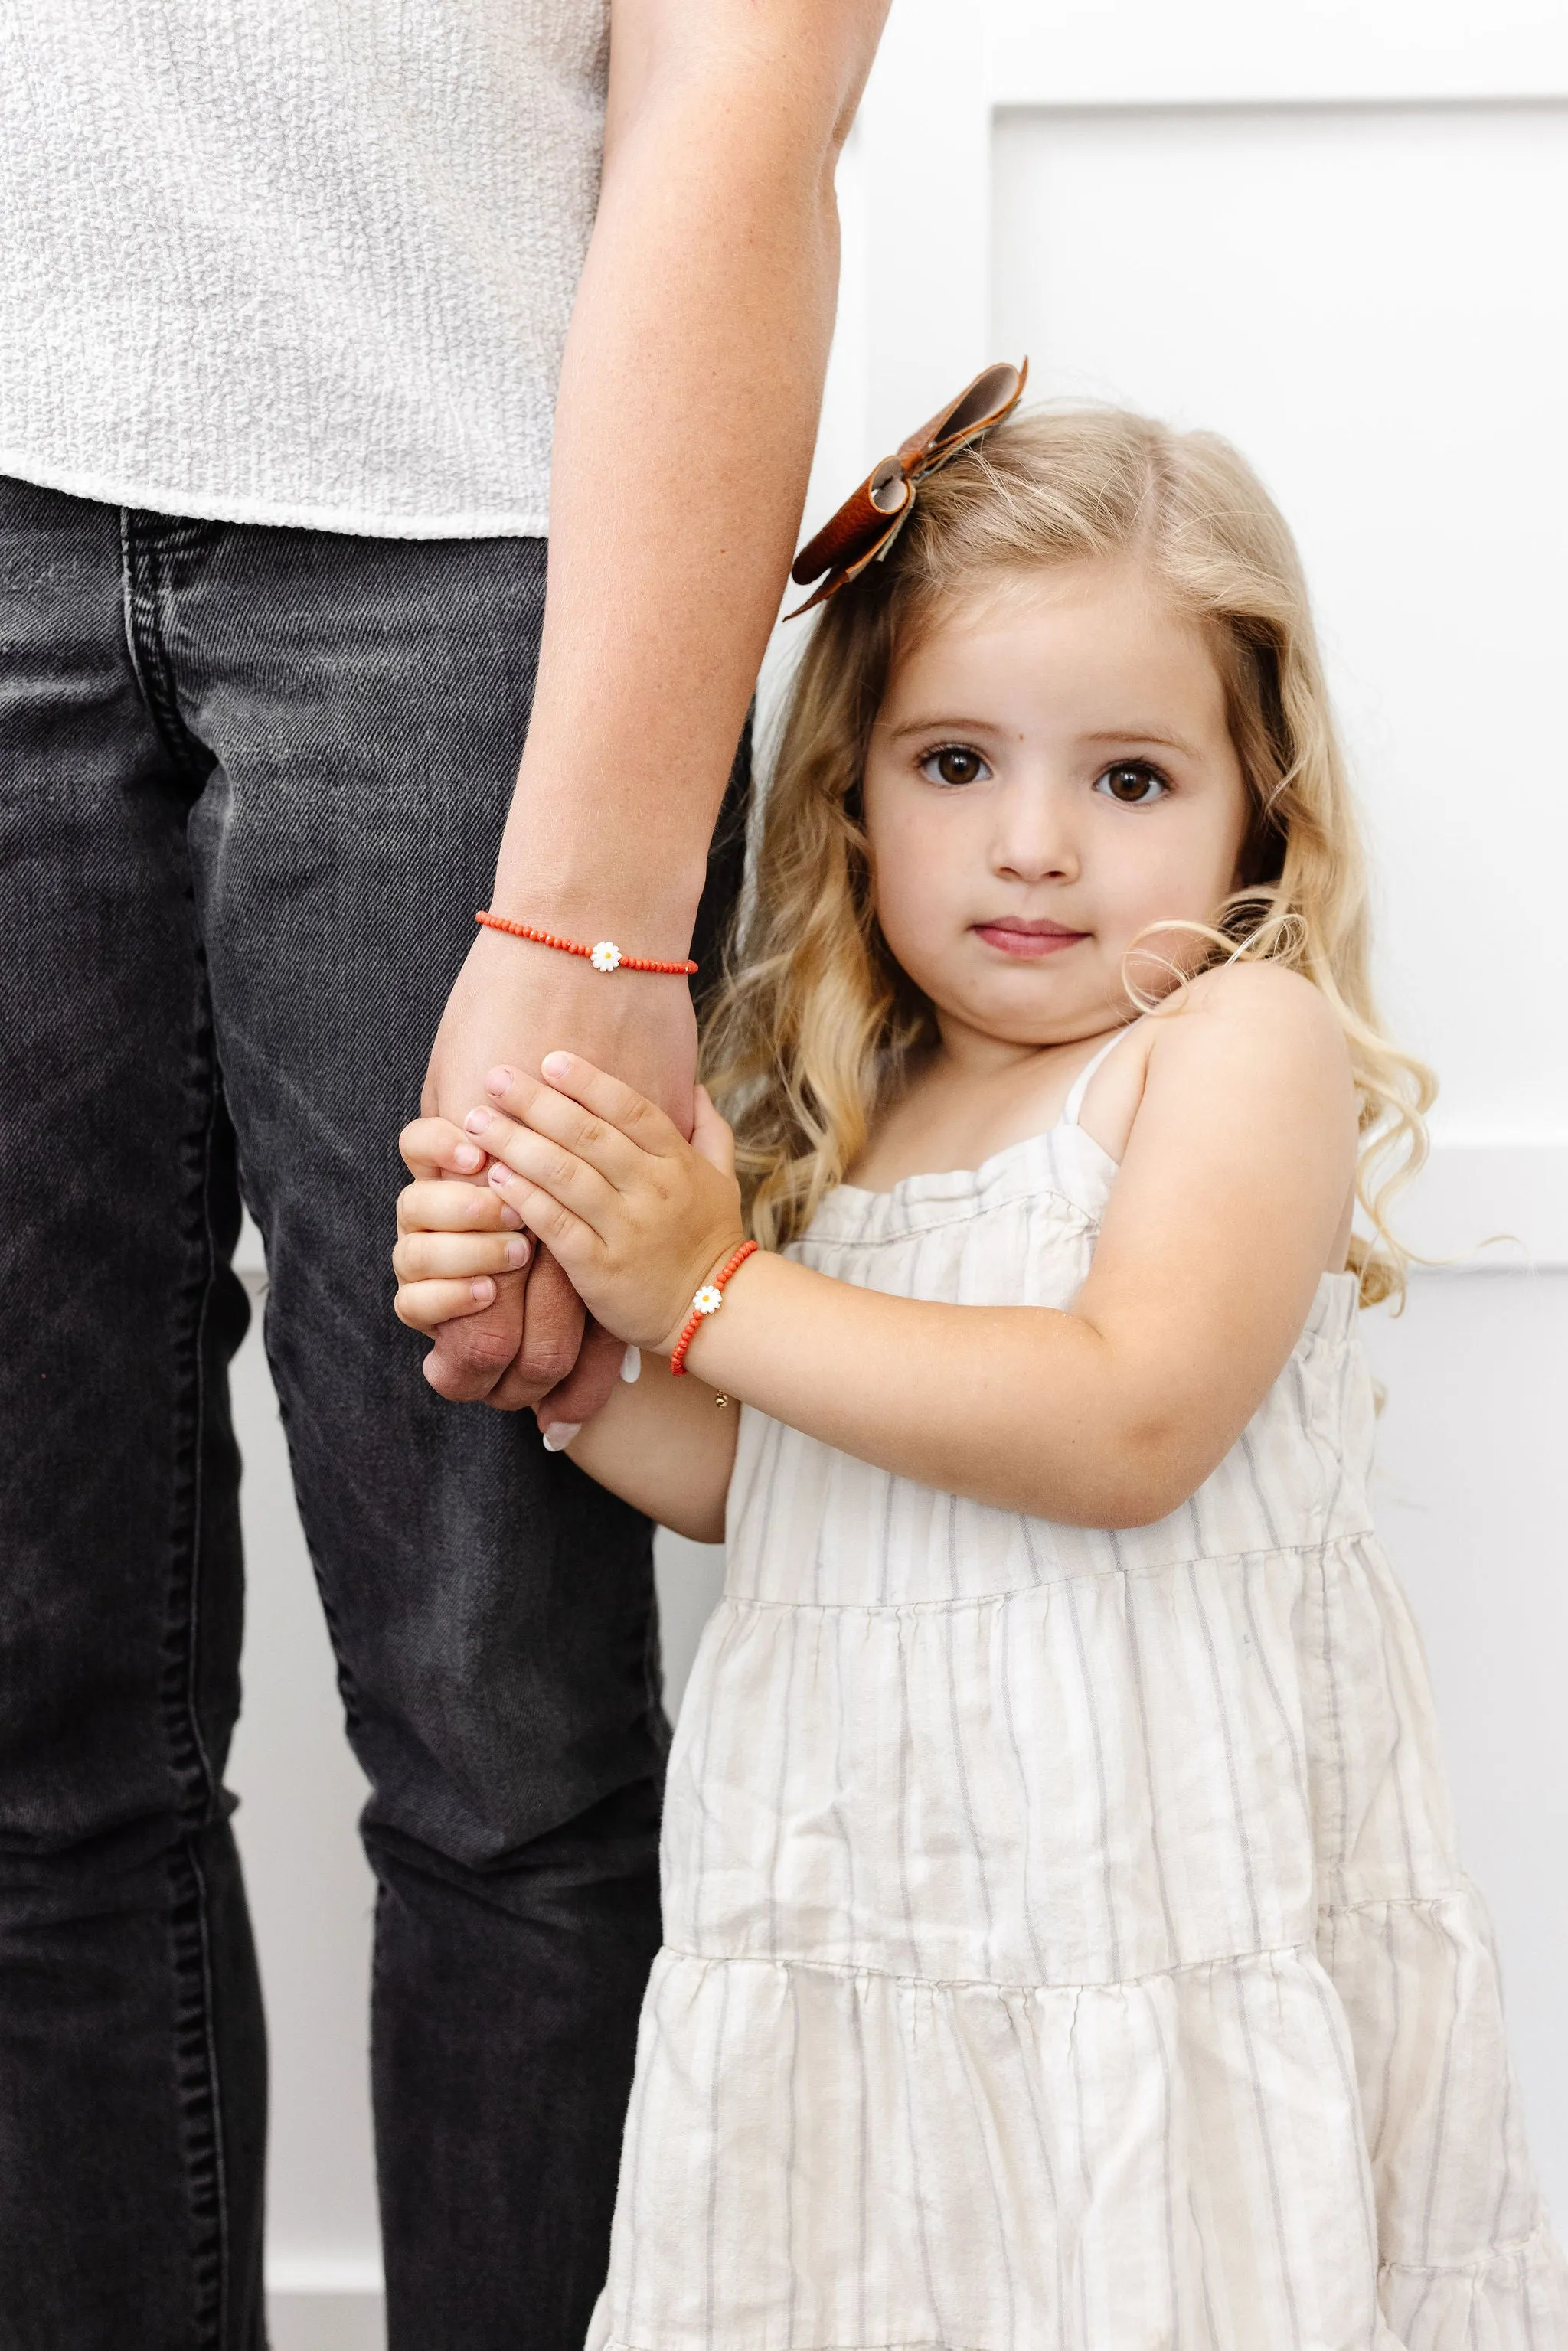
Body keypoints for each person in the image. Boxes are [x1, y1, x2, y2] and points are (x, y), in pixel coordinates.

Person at [394, 397, 1568, 2345]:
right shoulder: (867, 1108)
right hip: (872, 1922)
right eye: (956, 762)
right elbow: (792, 1483)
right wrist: (575, 1361)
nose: (1033, 844)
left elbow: (1121, 1419)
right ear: (852, 792)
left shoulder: (1226, 1048)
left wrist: (702, 1287)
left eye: (1128, 777)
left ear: (1256, 803)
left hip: (1132, 1925)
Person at [0, 4, 887, 2346]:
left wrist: (595, 910)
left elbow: (747, 90)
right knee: (25, 1726)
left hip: (485, 560)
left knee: (503, 1728)